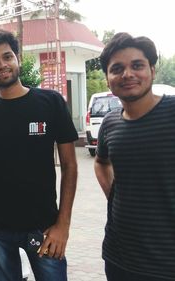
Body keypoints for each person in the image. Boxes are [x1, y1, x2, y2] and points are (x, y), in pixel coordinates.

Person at [0, 30, 78, 281]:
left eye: (7, 56)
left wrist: (63, 225)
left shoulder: (50, 102)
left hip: (43, 228)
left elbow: (70, 166)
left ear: (17, 58)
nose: (1, 65)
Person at [94, 32, 175, 281]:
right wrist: (115, 196)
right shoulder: (110, 123)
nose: (127, 74)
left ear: (151, 70)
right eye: (117, 68)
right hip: (119, 257)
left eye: (137, 65)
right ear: (108, 80)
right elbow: (100, 162)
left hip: (166, 262)